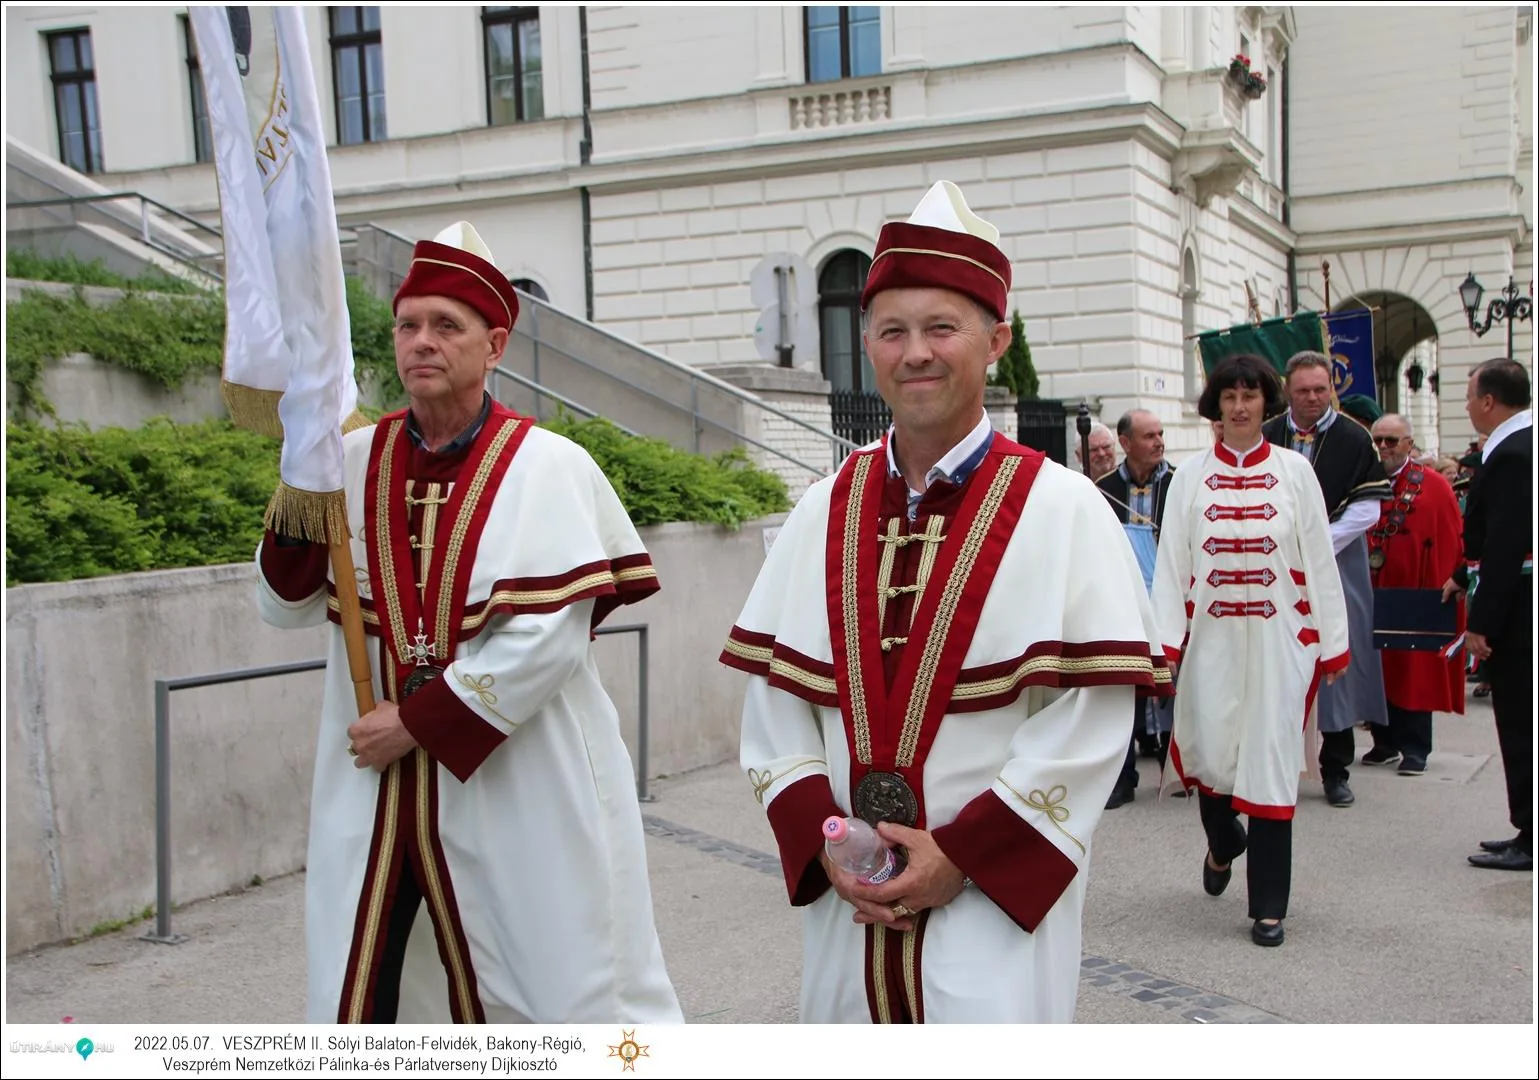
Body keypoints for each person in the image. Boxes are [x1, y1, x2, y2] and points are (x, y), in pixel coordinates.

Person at [722, 181, 1170, 1023]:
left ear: (994, 339)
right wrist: (826, 841)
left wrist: (961, 856)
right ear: (867, 344)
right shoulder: (823, 506)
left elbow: (1088, 720)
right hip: (846, 894)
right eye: (892, 331)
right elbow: (774, 705)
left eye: (941, 328)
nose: (914, 352)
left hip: (986, 902)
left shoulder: (1064, 507)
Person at [255, 222, 684, 1024]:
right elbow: (280, 605)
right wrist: (296, 480)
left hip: (514, 783)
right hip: (374, 795)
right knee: (369, 993)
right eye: (408, 325)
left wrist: (415, 722)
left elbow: (548, 640)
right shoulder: (342, 463)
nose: (421, 343)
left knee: (548, 988)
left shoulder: (548, 466)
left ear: (493, 346)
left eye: (444, 327)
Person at [1152, 354, 1350, 948]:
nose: (1240, 407)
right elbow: (1170, 565)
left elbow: (1318, 557)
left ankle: (1268, 906)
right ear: (1217, 405)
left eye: (1251, 396)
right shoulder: (1188, 477)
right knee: (1209, 755)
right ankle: (1222, 840)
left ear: (1268, 402)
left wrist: (1332, 644)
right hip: (1210, 642)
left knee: (1268, 765)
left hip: (1278, 643)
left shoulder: (1295, 473)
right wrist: (1164, 645)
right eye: (1230, 397)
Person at [1262, 352, 1392, 807]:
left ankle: (1336, 767)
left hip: (1337, 561)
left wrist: (1317, 544)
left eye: (1320, 390)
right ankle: (1278, 764)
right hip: (1276, 564)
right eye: (1303, 391)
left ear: (1330, 389)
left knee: (1337, 654)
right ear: (1288, 391)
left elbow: (1368, 509)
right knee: (1276, 656)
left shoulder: (1355, 437)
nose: (1313, 398)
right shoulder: (1269, 434)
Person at [1443, 358, 1532, 872]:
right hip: (1518, 601)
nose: (1468, 404)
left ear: (1490, 401)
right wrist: (1461, 570)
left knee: (1522, 723)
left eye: (1470, 395)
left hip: (1520, 612)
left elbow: (1506, 544)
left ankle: (1531, 832)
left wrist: (1481, 623)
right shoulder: (1517, 446)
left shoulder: (1515, 453)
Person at [1363, 413, 1466, 774]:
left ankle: (1416, 748)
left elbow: (1452, 539)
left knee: (1414, 670)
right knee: (1376, 667)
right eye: (1378, 441)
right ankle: (1384, 741)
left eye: (1392, 441)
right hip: (1372, 589)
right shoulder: (1364, 480)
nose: (1384, 448)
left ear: (1409, 443)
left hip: (1416, 591)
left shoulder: (1434, 486)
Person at [1097, 409, 1178, 806]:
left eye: (1161, 434)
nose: (1158, 442)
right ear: (1125, 443)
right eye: (1149, 436)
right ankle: (1123, 778)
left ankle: (1176, 766)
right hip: (1122, 601)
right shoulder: (1103, 488)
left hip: (1169, 598)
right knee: (1124, 689)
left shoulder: (1180, 484)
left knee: (1173, 686)